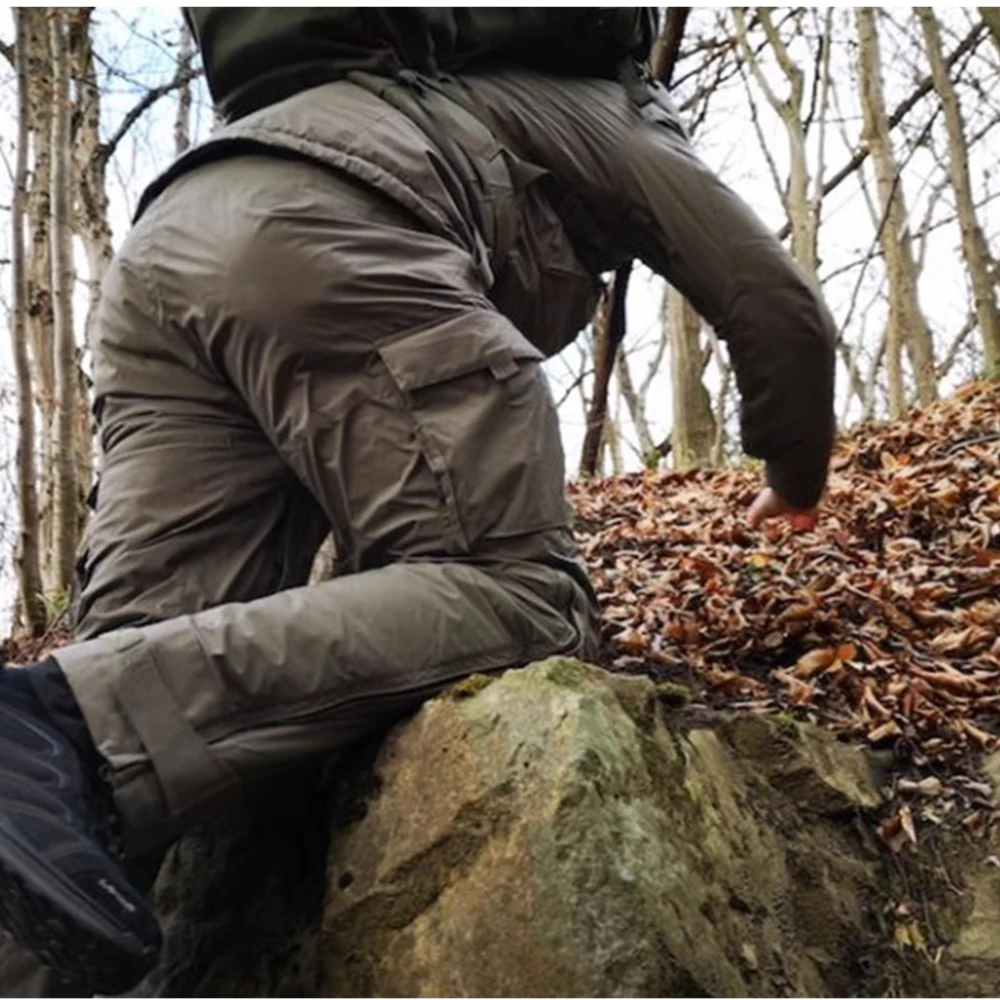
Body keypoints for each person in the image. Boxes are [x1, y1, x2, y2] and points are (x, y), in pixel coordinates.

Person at [0, 8, 836, 995]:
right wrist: (795, 473)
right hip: (335, 229)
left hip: (168, 242)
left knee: (126, 698)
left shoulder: (384, 88)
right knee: (520, 592)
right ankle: (52, 718)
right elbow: (774, 304)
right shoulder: (605, 105)